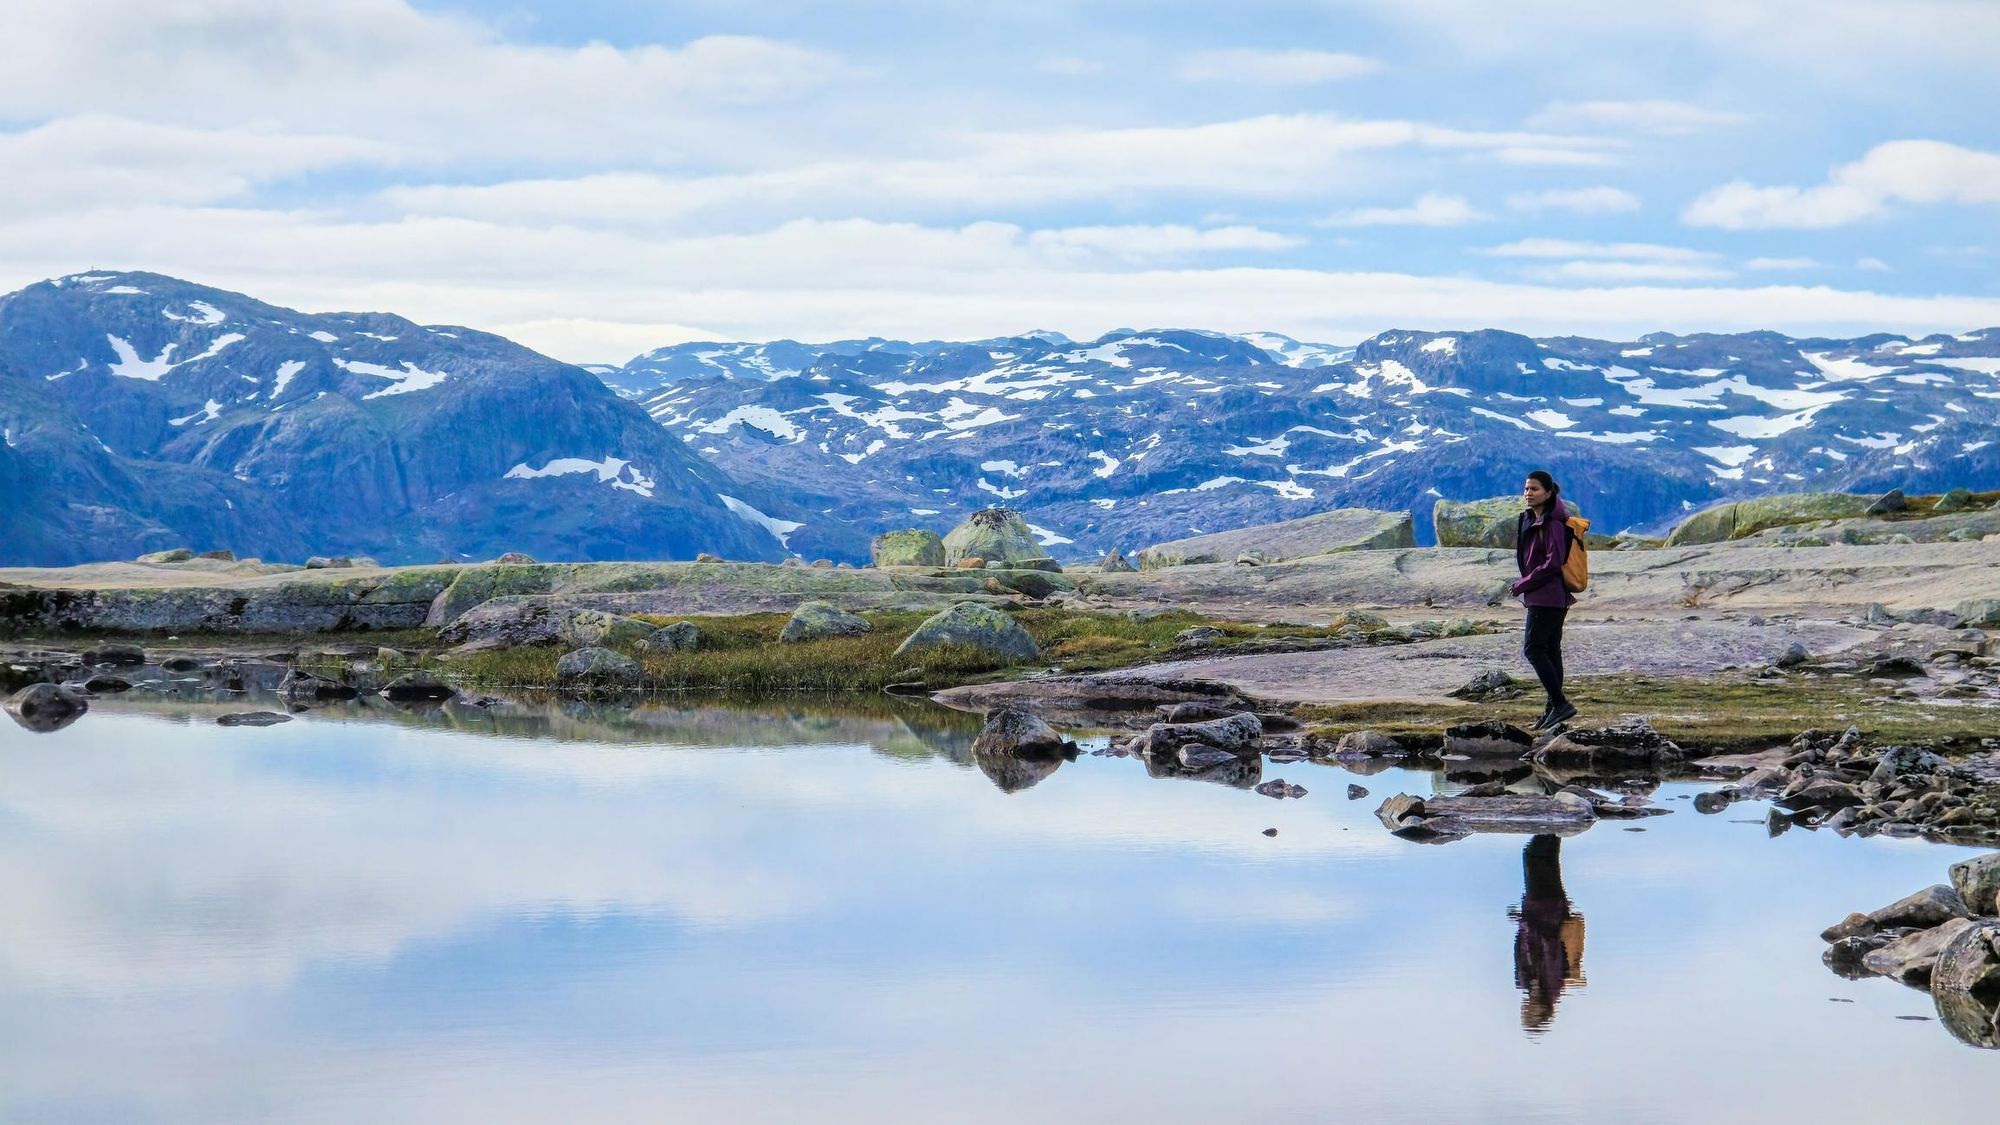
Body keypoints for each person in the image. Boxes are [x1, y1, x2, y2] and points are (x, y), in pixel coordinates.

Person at [1512, 470, 1576, 730]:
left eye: (1535, 489)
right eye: (1526, 489)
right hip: (1544, 595)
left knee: (1533, 648)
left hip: (1547, 595)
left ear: (1549, 493)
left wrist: (1522, 585)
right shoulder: (1530, 518)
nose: (1528, 494)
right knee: (1550, 650)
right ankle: (1553, 708)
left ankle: (1560, 704)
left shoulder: (1554, 522)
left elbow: (1554, 563)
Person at [1510, 834, 1586, 1034]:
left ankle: (1553, 825)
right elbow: (1549, 942)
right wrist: (1523, 920)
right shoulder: (1552, 980)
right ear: (1543, 1009)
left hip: (1536, 906)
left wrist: (1521, 920)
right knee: (1534, 855)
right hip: (1548, 907)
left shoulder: (1525, 981)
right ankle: (1553, 824)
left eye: (1526, 1013)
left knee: (1540, 856)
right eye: (1530, 1013)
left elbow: (1523, 943)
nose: (1526, 1009)